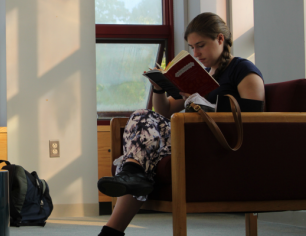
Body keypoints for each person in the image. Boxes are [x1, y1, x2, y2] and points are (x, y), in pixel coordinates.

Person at [96, 12, 265, 236]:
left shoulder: (242, 70)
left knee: (141, 140)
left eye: (201, 45)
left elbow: (254, 118)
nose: (196, 53)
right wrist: (158, 87)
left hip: (218, 142)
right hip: (190, 136)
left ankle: (128, 182)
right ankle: (126, 193)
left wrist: (204, 106)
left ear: (220, 40)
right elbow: (165, 110)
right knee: (142, 131)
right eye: (192, 47)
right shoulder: (200, 75)